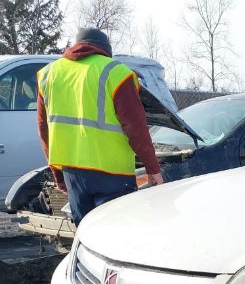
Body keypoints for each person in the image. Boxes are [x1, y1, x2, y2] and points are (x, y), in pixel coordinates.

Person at [35, 27, 164, 224]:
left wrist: (57, 172)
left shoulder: (48, 74)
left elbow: (44, 129)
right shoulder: (117, 72)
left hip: (73, 172)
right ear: (105, 50)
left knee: (86, 238)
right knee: (115, 237)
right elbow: (136, 127)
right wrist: (152, 169)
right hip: (113, 174)